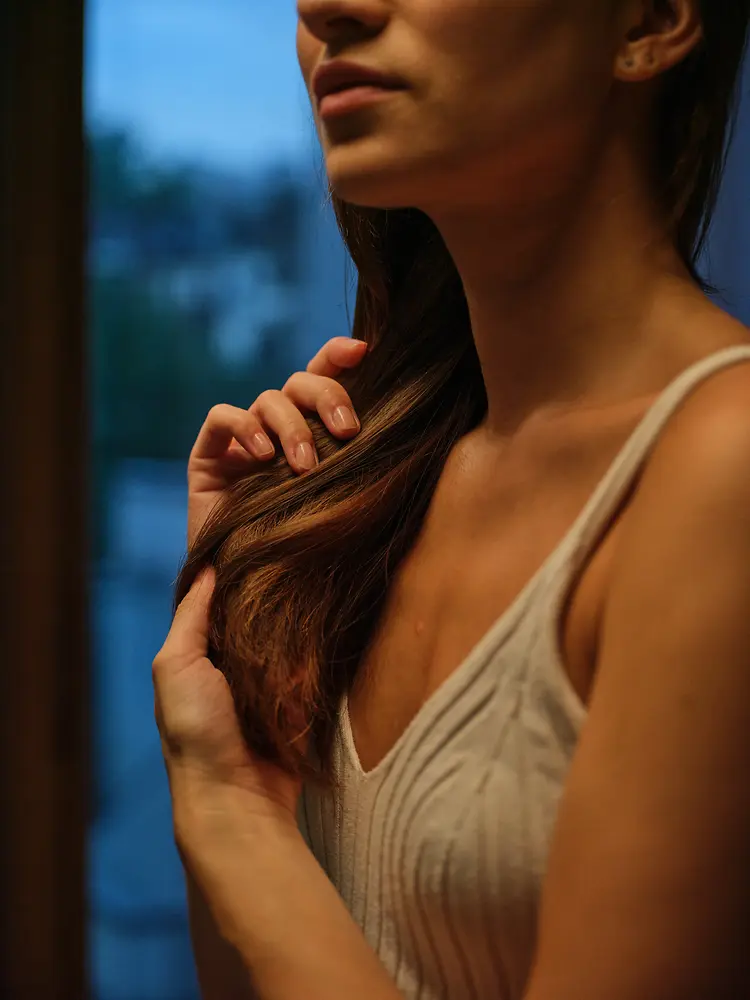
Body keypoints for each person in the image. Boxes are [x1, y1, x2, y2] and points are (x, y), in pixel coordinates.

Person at [152, 1, 750, 998]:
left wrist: (223, 803)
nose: (324, 7)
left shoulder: (719, 468)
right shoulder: (365, 484)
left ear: (646, 20)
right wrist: (235, 604)